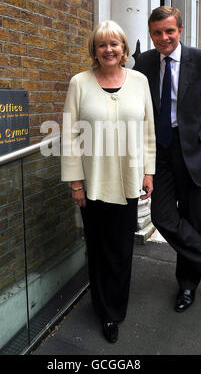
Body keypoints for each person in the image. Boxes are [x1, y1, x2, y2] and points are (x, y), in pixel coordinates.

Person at [133, 6, 201, 312]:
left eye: (169, 31)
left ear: (180, 30)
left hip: (195, 151)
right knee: (163, 216)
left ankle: (187, 285)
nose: (163, 38)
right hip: (160, 151)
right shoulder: (144, 62)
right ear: (150, 34)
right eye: (157, 32)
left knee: (193, 220)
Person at [61, 20, 155, 342]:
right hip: (94, 183)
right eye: (102, 45)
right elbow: (70, 136)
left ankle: (116, 308)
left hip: (129, 180)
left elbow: (148, 132)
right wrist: (76, 183)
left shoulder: (140, 81)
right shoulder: (80, 83)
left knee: (121, 247)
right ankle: (103, 310)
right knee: (98, 246)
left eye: (114, 44)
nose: (109, 49)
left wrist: (148, 171)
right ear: (94, 51)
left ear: (124, 49)